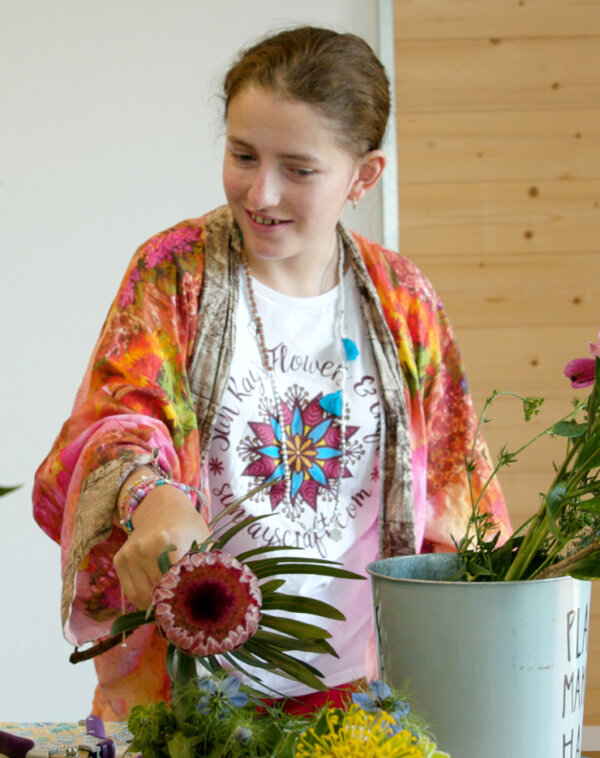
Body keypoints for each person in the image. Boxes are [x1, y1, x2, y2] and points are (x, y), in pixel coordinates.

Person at [33, 26, 510, 721]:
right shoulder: (175, 271)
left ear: (364, 175)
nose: (261, 192)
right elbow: (119, 419)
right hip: (190, 689)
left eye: (299, 169)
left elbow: (456, 480)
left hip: (363, 694)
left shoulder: (404, 300)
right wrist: (153, 498)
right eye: (242, 155)